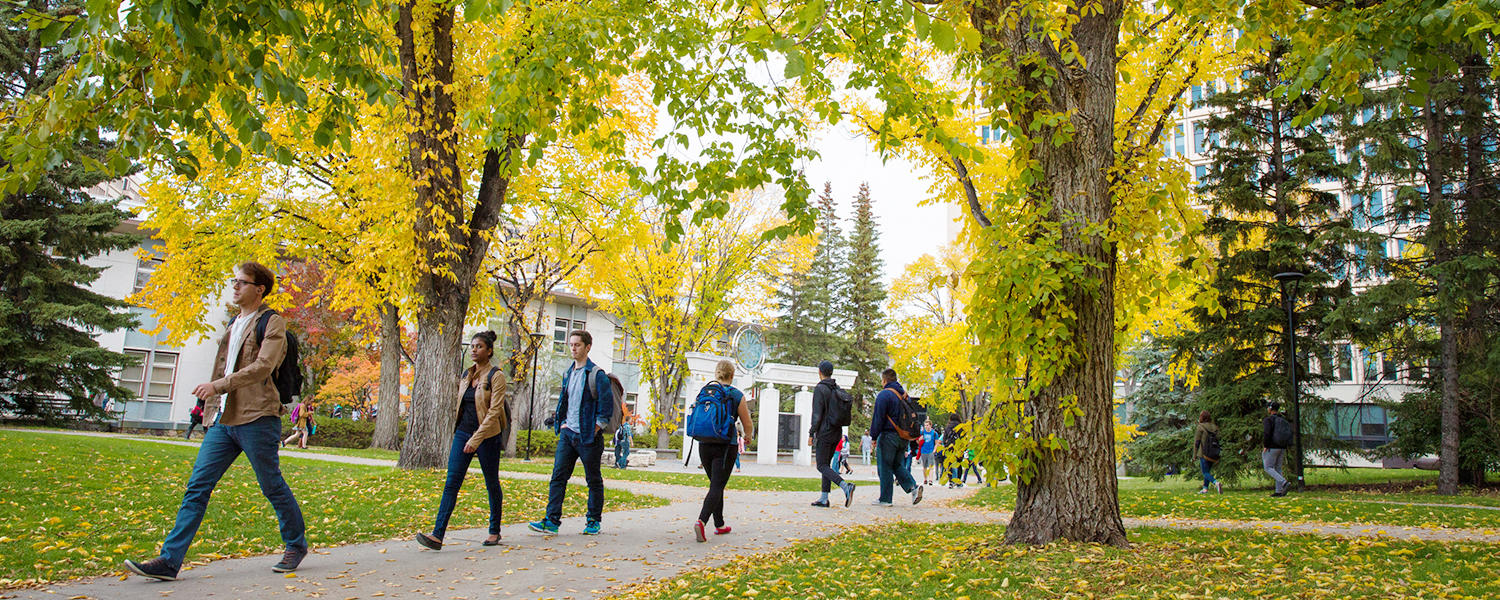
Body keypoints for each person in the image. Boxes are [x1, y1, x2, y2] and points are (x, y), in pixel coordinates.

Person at [123, 262, 306, 581]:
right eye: (233, 281)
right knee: (197, 487)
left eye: (241, 282)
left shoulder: (271, 322)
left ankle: (296, 543)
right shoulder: (234, 324)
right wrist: (211, 407)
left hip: (257, 418)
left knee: (271, 485)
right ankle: (169, 561)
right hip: (223, 420)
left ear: (259, 288)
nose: (234, 286)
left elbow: (264, 366)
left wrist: (217, 387)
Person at [415, 331, 509, 550]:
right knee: (452, 483)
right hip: (463, 433)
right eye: (473, 346)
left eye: (479, 347)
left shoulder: (496, 376)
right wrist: (460, 434)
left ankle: (494, 531)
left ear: (489, 351)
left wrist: (477, 439)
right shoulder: (467, 375)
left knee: (491, 482)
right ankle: (437, 535)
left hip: (488, 436)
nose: (474, 350)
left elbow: (494, 411)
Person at [529, 330, 613, 536]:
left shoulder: (596, 375)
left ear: (587, 347)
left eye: (577, 345)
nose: (573, 348)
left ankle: (593, 520)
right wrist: (563, 423)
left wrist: (595, 429)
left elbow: (606, 407)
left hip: (588, 437)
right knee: (558, 477)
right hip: (568, 435)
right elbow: (564, 401)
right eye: (571, 344)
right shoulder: (568, 373)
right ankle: (551, 521)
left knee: (593, 479)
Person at [693, 360, 755, 542]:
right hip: (725, 446)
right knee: (717, 485)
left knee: (715, 483)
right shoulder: (736, 395)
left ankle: (719, 524)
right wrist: (748, 436)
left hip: (704, 443)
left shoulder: (706, 391)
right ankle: (701, 521)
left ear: (717, 373)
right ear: (732, 375)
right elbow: (747, 422)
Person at [869, 369, 922, 506]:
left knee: (885, 466)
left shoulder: (884, 395)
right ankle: (913, 488)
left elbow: (878, 418)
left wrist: (874, 436)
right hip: (903, 436)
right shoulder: (904, 395)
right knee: (898, 465)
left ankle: (885, 499)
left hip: (888, 435)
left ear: (885, 380)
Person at [808, 360, 856, 507]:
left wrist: (811, 433)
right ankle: (824, 498)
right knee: (826, 465)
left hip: (824, 432)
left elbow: (817, 415)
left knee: (821, 465)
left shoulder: (820, 389)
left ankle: (845, 486)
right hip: (836, 432)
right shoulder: (836, 388)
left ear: (820, 372)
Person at [1263, 402, 1290, 497]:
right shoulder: (1282, 420)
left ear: (1270, 409)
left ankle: (1283, 482)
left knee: (1268, 467)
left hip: (1272, 447)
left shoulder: (1268, 420)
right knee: (1278, 467)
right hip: (1282, 446)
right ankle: (1279, 491)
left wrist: (1265, 445)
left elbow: (1267, 433)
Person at [1194, 410, 1222, 494]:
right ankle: (1205, 488)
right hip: (1213, 453)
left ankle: (1216, 483)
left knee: (1205, 472)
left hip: (1203, 452)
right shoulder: (1215, 427)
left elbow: (1197, 442)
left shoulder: (1200, 427)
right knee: (1207, 471)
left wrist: (1194, 455)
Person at [942, 414, 963, 488]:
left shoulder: (948, 427)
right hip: (958, 448)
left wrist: (945, 444)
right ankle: (958, 481)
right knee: (958, 464)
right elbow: (963, 437)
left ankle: (951, 481)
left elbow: (944, 438)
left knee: (950, 464)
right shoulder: (960, 426)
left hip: (949, 448)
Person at [919, 421, 940, 486]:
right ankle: (925, 479)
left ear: (930, 425)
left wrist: (934, 449)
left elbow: (937, 443)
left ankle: (930, 480)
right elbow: (918, 441)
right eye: (925, 425)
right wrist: (920, 439)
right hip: (923, 451)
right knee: (924, 466)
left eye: (927, 425)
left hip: (931, 450)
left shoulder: (934, 433)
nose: (926, 427)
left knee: (931, 466)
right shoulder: (922, 432)